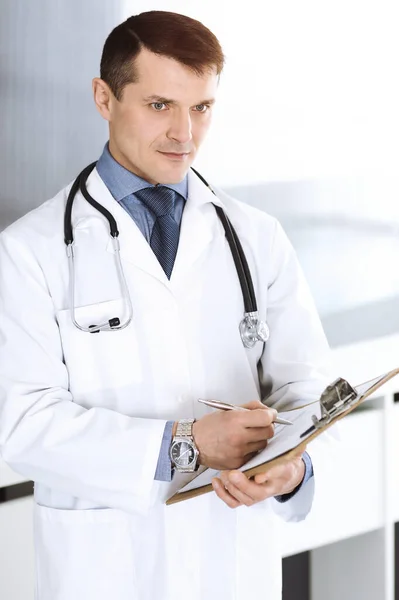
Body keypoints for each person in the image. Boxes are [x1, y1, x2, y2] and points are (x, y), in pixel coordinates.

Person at [0, 10, 332, 600]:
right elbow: (20, 422)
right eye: (160, 106)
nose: (185, 134)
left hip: (232, 561)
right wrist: (185, 446)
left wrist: (292, 469)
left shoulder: (255, 236)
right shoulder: (29, 251)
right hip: (105, 568)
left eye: (201, 108)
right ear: (104, 97)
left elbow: (308, 392)